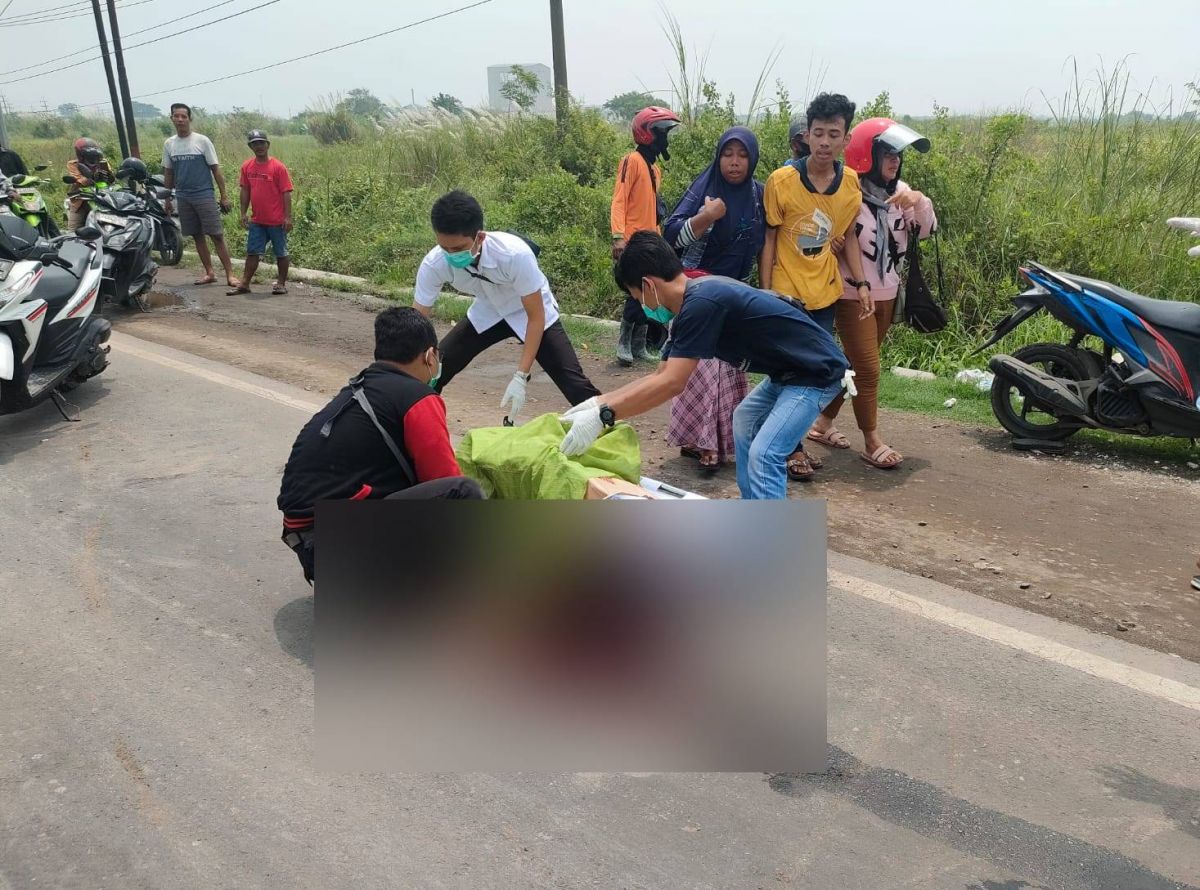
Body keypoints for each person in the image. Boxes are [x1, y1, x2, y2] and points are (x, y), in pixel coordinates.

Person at [559, 231, 850, 500]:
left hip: (815, 373)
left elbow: (673, 383)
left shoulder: (702, 302)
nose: (642, 305)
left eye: (637, 297)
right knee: (745, 419)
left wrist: (606, 416)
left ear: (648, 284)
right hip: (787, 373)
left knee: (765, 453)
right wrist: (596, 404)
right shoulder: (691, 304)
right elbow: (660, 375)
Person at [277, 307, 484, 585]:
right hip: (342, 545)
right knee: (463, 492)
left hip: (312, 548)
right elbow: (444, 480)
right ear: (430, 356)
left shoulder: (361, 389)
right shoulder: (418, 397)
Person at [807, 118, 936, 470]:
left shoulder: (901, 193)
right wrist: (830, 244)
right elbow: (821, 237)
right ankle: (872, 439)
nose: (894, 161)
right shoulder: (846, 191)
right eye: (887, 153)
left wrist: (919, 201)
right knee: (868, 369)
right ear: (868, 155)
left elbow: (926, 231)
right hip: (852, 295)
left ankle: (820, 425)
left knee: (853, 367)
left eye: (898, 154)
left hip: (888, 294)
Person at [413, 190, 600, 423]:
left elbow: (535, 317)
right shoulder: (434, 263)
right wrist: (416, 361)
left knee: (573, 382)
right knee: (434, 372)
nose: (451, 255)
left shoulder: (514, 254)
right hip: (489, 311)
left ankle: (610, 426)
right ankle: (418, 426)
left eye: (459, 248)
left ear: (479, 237)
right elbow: (417, 325)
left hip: (529, 311)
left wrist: (521, 376)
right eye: (445, 248)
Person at [761, 92, 872, 482]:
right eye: (818, 133)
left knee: (820, 373)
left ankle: (784, 437)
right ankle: (788, 449)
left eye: (834, 134)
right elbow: (770, 238)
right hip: (784, 293)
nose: (825, 142)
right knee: (786, 372)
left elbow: (849, 237)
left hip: (824, 294)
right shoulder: (782, 181)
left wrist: (860, 283)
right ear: (806, 135)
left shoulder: (850, 185)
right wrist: (765, 289)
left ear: (845, 139)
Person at [661, 126, 766, 473]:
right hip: (697, 290)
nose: (734, 162)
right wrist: (705, 217)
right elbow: (671, 236)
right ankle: (700, 441)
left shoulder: (758, 196)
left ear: (751, 160)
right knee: (702, 368)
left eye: (742, 155)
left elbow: (766, 244)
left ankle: (721, 441)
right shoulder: (704, 188)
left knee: (728, 369)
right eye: (727, 154)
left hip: (737, 292)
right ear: (718, 156)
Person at [611, 105, 681, 367]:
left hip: (650, 242)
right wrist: (618, 236)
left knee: (647, 296)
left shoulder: (654, 170)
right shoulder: (632, 161)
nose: (664, 139)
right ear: (646, 134)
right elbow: (619, 200)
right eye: (661, 133)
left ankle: (639, 346)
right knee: (635, 294)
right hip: (631, 241)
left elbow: (652, 211)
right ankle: (624, 343)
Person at [161, 102, 240, 289]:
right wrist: (167, 198)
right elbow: (169, 173)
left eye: (184, 116)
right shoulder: (169, 144)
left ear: (189, 119)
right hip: (183, 195)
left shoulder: (202, 141)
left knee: (216, 234)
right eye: (176, 116)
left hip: (204, 194)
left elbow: (216, 170)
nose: (180, 119)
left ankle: (230, 274)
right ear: (171, 118)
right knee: (197, 235)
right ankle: (209, 272)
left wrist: (224, 196)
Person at [233, 129, 293, 296]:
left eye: (261, 143)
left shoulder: (278, 167)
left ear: (267, 144)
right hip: (257, 220)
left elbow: (286, 192)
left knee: (281, 252)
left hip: (276, 220)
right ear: (250, 146)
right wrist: (243, 212)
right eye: (254, 144)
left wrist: (288, 217)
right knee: (252, 251)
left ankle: (281, 284)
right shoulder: (247, 167)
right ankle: (244, 283)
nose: (258, 146)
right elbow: (245, 190)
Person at [64, 137, 114, 231]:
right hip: (80, 200)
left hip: (102, 198)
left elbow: (111, 178)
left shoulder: (103, 162)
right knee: (73, 230)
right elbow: (79, 179)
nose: (93, 159)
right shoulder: (73, 164)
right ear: (81, 155)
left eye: (95, 156)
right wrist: (92, 178)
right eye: (90, 156)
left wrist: (108, 176)